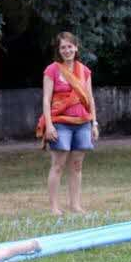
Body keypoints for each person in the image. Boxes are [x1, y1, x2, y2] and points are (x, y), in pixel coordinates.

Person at [37, 31, 99, 215]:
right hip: (60, 123)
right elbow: (46, 100)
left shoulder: (84, 71)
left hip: (82, 122)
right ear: (59, 50)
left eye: (70, 46)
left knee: (77, 165)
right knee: (58, 164)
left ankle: (75, 205)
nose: (67, 50)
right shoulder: (52, 70)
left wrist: (94, 123)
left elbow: (90, 98)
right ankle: (54, 208)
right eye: (63, 47)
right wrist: (49, 125)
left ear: (76, 48)